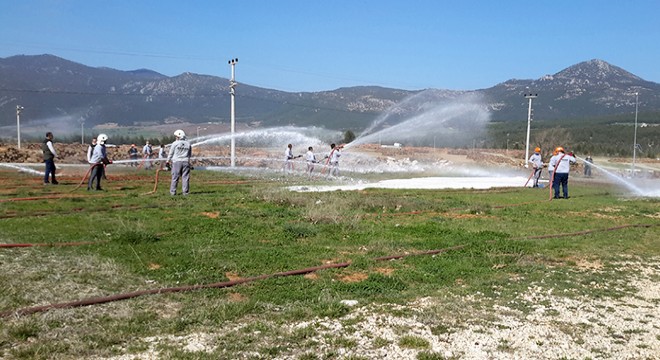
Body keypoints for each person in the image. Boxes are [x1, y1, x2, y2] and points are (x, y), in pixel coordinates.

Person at [166, 129, 192, 196]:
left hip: (177, 162)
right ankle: (185, 193)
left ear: (179, 136)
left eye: (176, 136)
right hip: (186, 162)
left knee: (175, 177)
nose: (176, 138)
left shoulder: (175, 143)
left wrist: (167, 161)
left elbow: (171, 153)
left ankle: (173, 192)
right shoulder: (188, 144)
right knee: (185, 178)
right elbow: (189, 154)